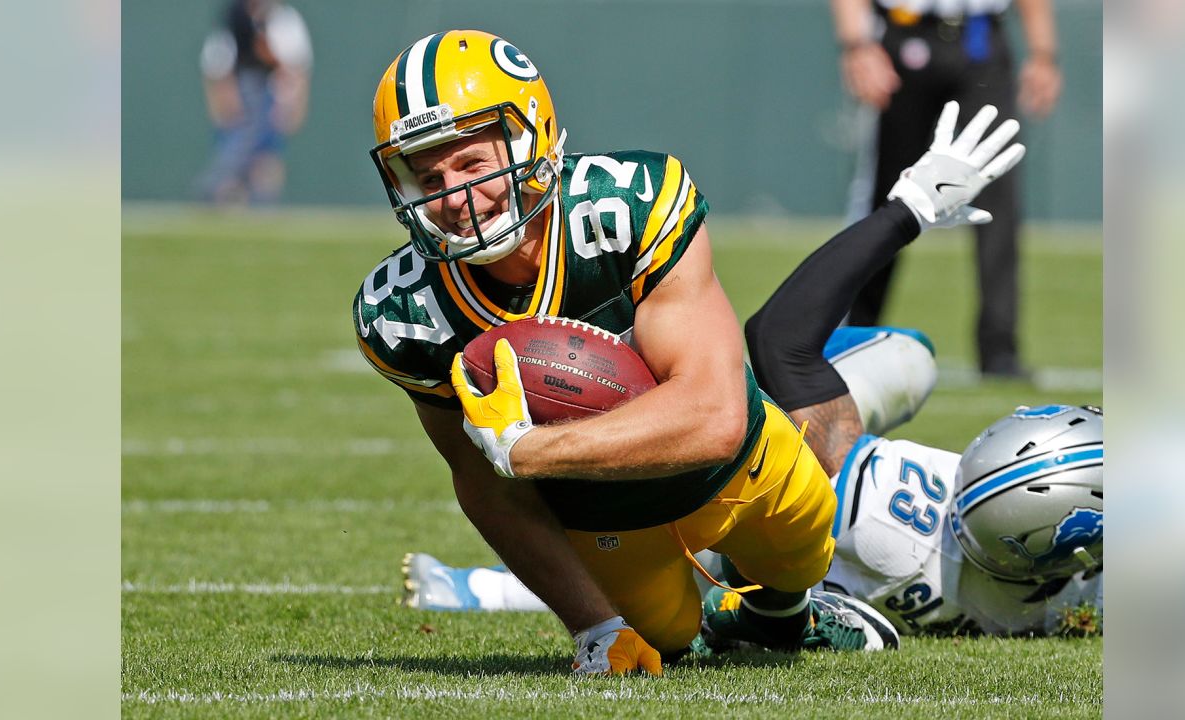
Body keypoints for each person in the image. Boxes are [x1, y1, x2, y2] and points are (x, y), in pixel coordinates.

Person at [353, 29, 1023, 674]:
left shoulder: (626, 206)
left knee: (802, 549)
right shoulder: (405, 313)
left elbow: (713, 419)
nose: (453, 196)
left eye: (472, 161)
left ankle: (783, 615)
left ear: (530, 137)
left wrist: (532, 451)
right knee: (665, 638)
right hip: (605, 513)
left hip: (732, 467)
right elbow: (482, 487)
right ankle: (715, 613)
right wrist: (595, 626)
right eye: (427, 173)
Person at [403, 404, 1103, 638]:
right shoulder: (887, 516)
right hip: (806, 487)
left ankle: (493, 588)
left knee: (702, 586)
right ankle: (495, 586)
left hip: (795, 559)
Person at [831, 0, 1062, 378]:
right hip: (904, 36)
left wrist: (1043, 53)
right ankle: (856, 335)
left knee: (998, 193)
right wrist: (857, 44)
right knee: (889, 195)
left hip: (980, 38)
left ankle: (1000, 349)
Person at [197, 0, 312, 205]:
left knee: (266, 160)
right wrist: (225, 99)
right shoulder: (236, 18)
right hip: (246, 96)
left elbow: (295, 68)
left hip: (272, 99)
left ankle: (261, 208)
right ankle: (216, 191)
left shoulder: (282, 19)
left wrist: (293, 103)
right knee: (237, 152)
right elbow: (217, 68)